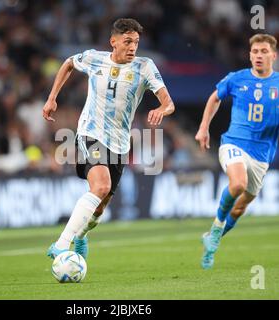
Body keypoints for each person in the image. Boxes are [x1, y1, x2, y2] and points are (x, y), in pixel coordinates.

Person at [42, 18, 175, 260]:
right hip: (91, 133)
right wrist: (52, 98)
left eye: (136, 42)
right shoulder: (95, 59)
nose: (133, 47)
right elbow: (69, 63)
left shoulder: (144, 67)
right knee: (100, 186)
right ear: (113, 42)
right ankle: (61, 245)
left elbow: (169, 103)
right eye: (127, 41)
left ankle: (81, 235)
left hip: (120, 144)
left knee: (100, 206)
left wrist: (161, 109)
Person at [195, 33, 279, 269]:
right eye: (255, 52)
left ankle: (213, 240)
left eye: (264, 51)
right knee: (238, 184)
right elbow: (214, 98)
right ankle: (215, 227)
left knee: (242, 206)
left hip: (262, 156)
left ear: (274, 55)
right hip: (234, 144)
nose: (259, 56)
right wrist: (203, 128)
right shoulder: (237, 79)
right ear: (249, 55)